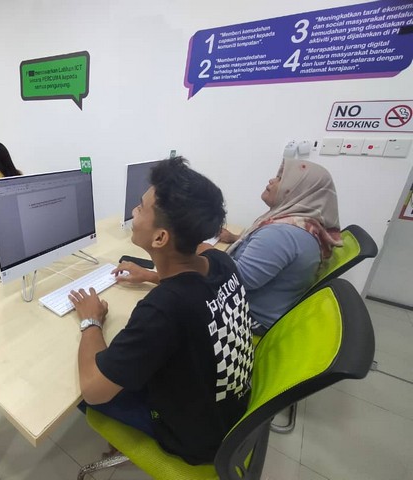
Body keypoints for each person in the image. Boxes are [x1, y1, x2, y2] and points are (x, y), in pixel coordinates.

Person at [69, 157, 253, 465]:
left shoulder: (164, 309)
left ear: (160, 237)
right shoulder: (222, 262)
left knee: (78, 395)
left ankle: (129, 438)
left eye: (141, 208)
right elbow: (194, 281)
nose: (133, 211)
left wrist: (91, 321)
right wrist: (152, 274)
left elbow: (92, 390)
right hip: (229, 407)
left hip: (198, 439)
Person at [219, 158, 342, 334]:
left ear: (300, 189)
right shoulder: (303, 225)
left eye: (281, 178)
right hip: (274, 309)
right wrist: (236, 238)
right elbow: (277, 253)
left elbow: (241, 279)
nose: (272, 180)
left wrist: (206, 252)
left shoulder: (281, 233)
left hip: (251, 317)